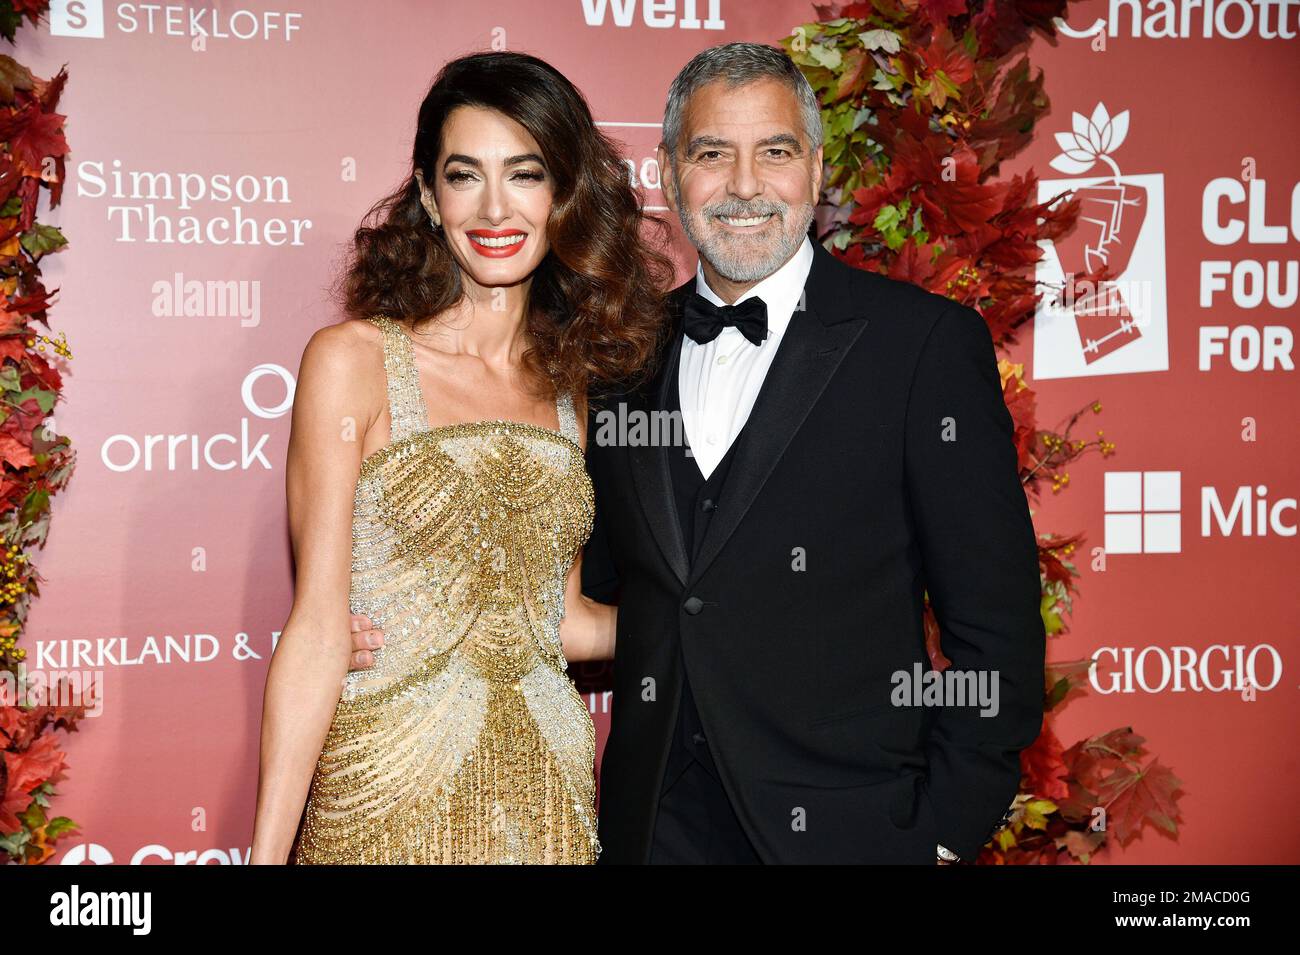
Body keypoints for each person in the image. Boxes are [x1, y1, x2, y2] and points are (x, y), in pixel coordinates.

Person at [350, 42, 1045, 865]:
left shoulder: (920, 347)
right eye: (713, 154)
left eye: (775, 153)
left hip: (854, 834)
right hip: (655, 832)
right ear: (672, 174)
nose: (745, 185)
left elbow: (994, 632)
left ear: (816, 171)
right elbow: (580, 590)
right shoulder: (616, 359)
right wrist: (403, 623)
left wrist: (937, 836)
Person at [251, 50, 665, 865]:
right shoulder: (353, 359)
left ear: (564, 195)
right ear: (431, 198)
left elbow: (563, 618)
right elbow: (317, 632)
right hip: (385, 794)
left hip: (546, 801)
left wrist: (709, 623)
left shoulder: (571, 389)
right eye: (464, 175)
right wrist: (265, 859)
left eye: (526, 173)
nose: (495, 206)